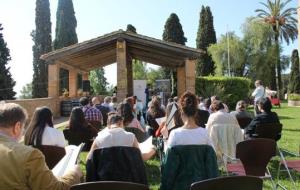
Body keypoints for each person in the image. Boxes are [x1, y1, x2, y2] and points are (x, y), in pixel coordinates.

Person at [0, 103, 82, 189]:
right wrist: (74, 173)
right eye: (23, 127)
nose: (23, 131)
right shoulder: (30, 155)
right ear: (17, 127)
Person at [87, 112, 155, 161]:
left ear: (108, 125)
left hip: (104, 178)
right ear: (120, 123)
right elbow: (141, 158)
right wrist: (152, 150)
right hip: (127, 177)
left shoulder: (99, 139)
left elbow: (88, 159)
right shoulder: (131, 137)